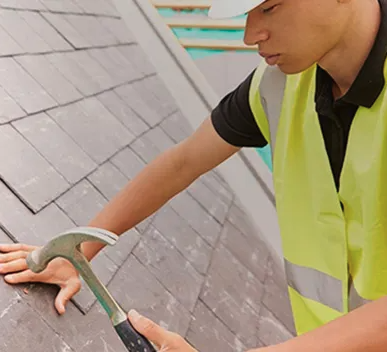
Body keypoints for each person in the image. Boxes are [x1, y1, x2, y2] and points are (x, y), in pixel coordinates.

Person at [1, 0, 387, 350]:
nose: (251, 35)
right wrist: (78, 253)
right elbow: (182, 163)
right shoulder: (280, 85)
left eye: (269, 7)